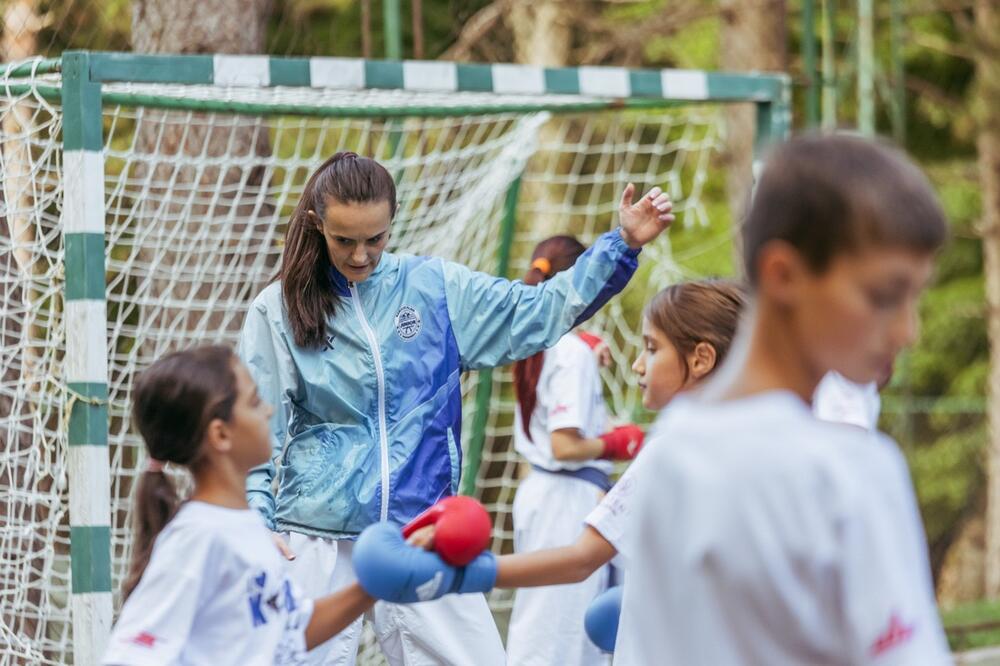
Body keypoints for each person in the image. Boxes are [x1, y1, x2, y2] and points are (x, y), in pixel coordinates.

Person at [238, 151, 673, 665]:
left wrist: (621, 244)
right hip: (317, 537)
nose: (360, 255)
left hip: (423, 531)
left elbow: (537, 310)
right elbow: (253, 427)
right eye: (344, 240)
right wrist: (256, 521)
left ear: (393, 220)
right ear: (317, 224)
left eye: (375, 238)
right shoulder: (276, 308)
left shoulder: (435, 289)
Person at [615, 134, 951, 664]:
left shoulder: (666, 456)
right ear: (784, 274)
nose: (908, 330)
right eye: (884, 295)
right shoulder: (852, 470)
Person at [102, 346, 374, 666]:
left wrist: (376, 585)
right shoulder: (198, 537)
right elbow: (129, 656)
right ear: (220, 434)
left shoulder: (247, 527)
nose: (268, 411)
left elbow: (292, 629)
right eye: (255, 402)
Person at [505, 236, 648, 666]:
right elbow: (564, 445)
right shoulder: (572, 352)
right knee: (560, 634)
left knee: (539, 624)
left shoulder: (538, 338)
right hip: (565, 500)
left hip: (542, 493)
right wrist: (617, 443)